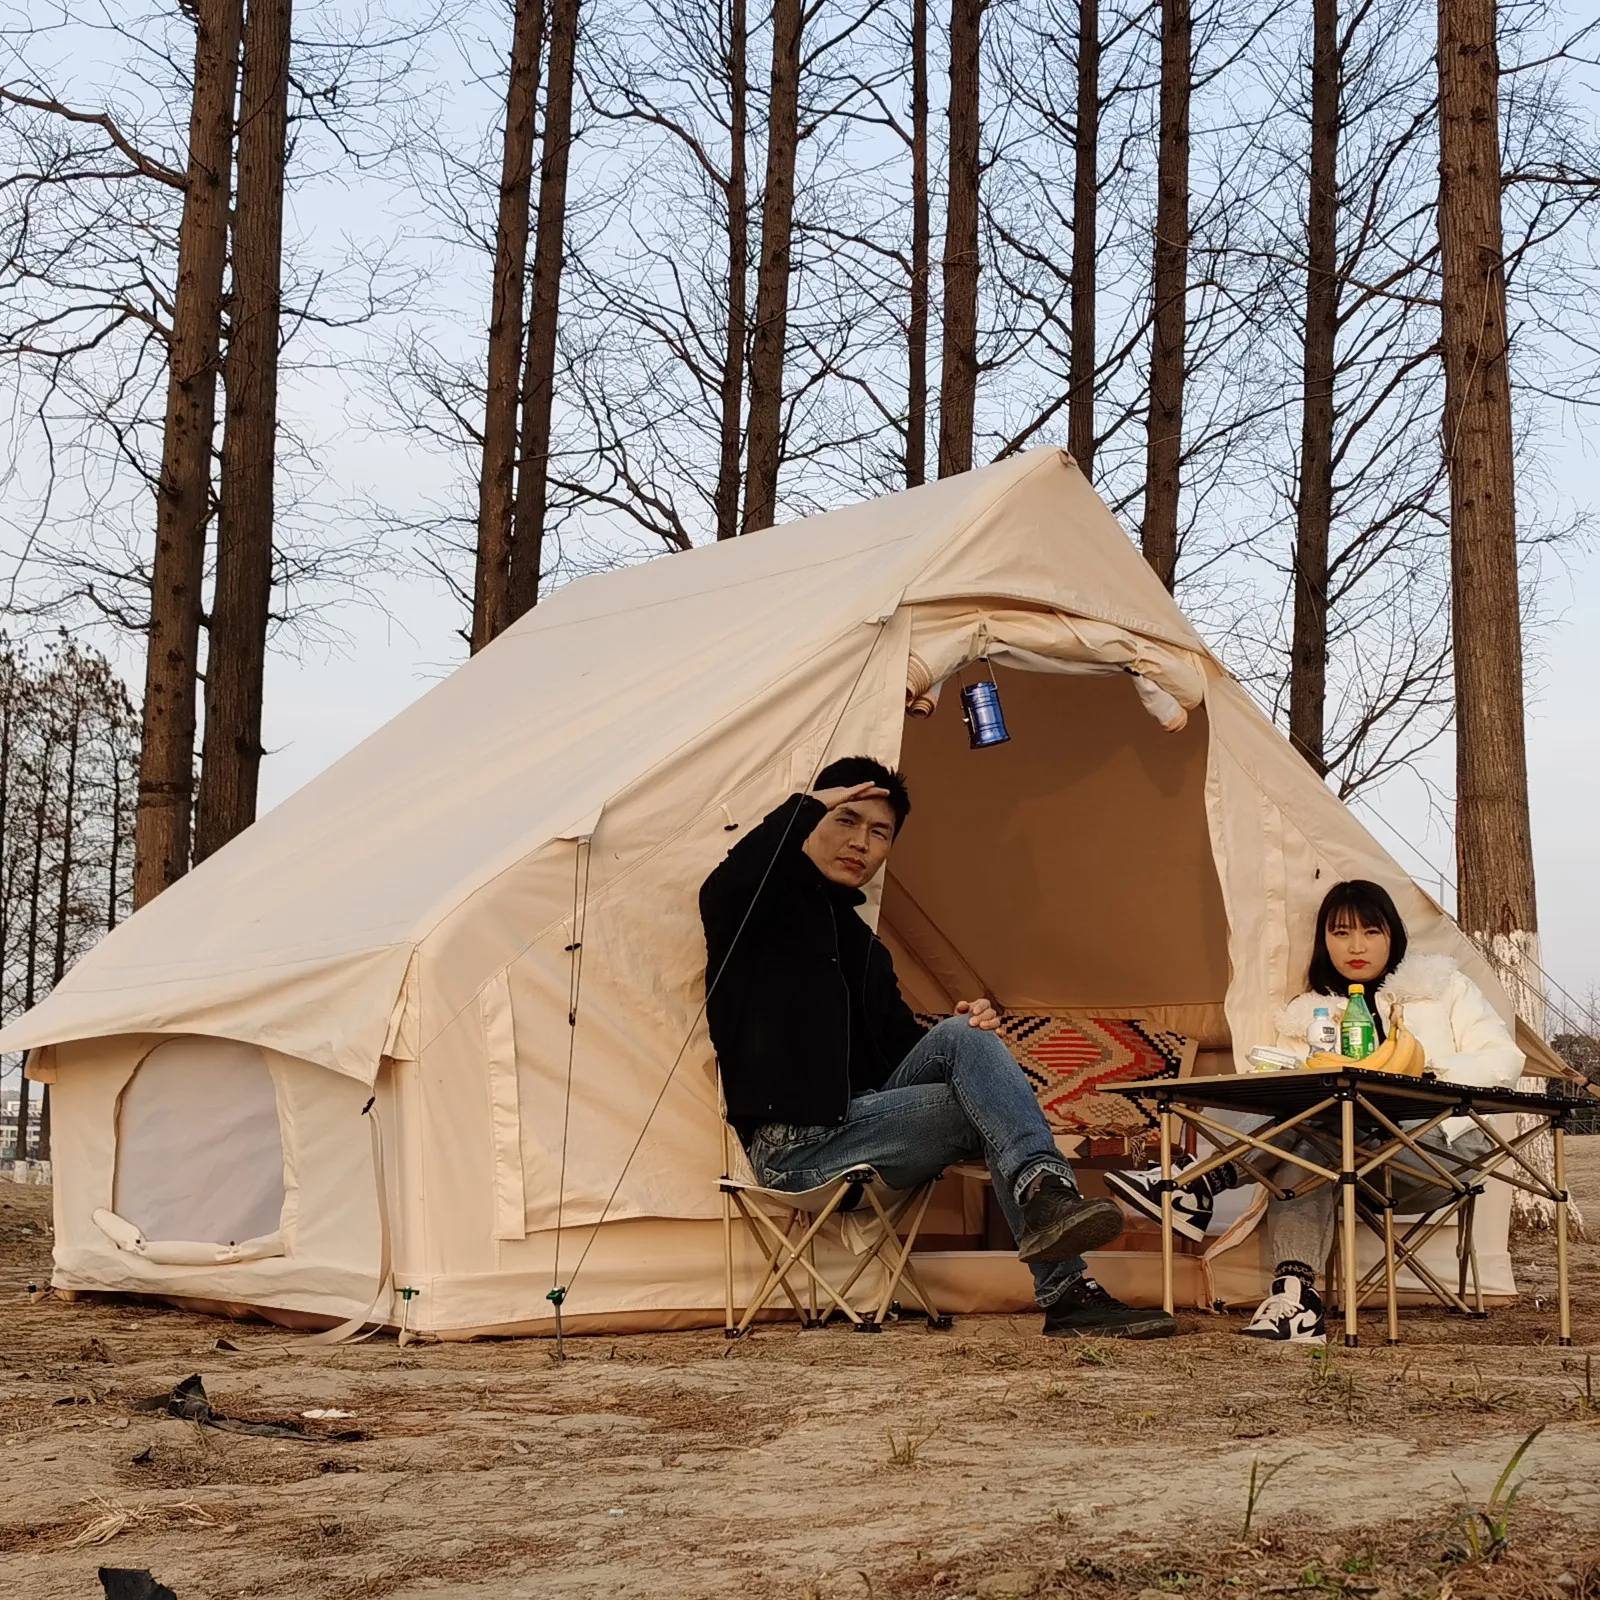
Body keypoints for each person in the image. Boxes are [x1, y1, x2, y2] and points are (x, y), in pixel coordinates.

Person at [700, 755, 1178, 1340]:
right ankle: (1062, 1269)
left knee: (964, 1037)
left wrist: (963, 1029)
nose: (861, 843)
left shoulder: (865, 948)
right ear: (812, 819)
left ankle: (1046, 1199)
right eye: (845, 821)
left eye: (880, 833)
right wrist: (809, 804)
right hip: (795, 1148)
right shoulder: (754, 906)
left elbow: (902, 1054)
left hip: (865, 1124)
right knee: (990, 1106)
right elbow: (726, 882)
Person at [1104, 879, 1523, 1345]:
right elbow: (1285, 1092)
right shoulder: (1310, 1014)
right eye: (1341, 933)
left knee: (1319, 1122)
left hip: (1438, 1154)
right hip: (1348, 1160)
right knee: (1313, 1133)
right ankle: (1294, 1300)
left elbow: (1504, 1059)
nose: (1356, 946)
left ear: (1394, 936)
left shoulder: (1442, 989)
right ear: (1324, 941)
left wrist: (1419, 1073)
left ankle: (1194, 1183)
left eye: (1371, 931)